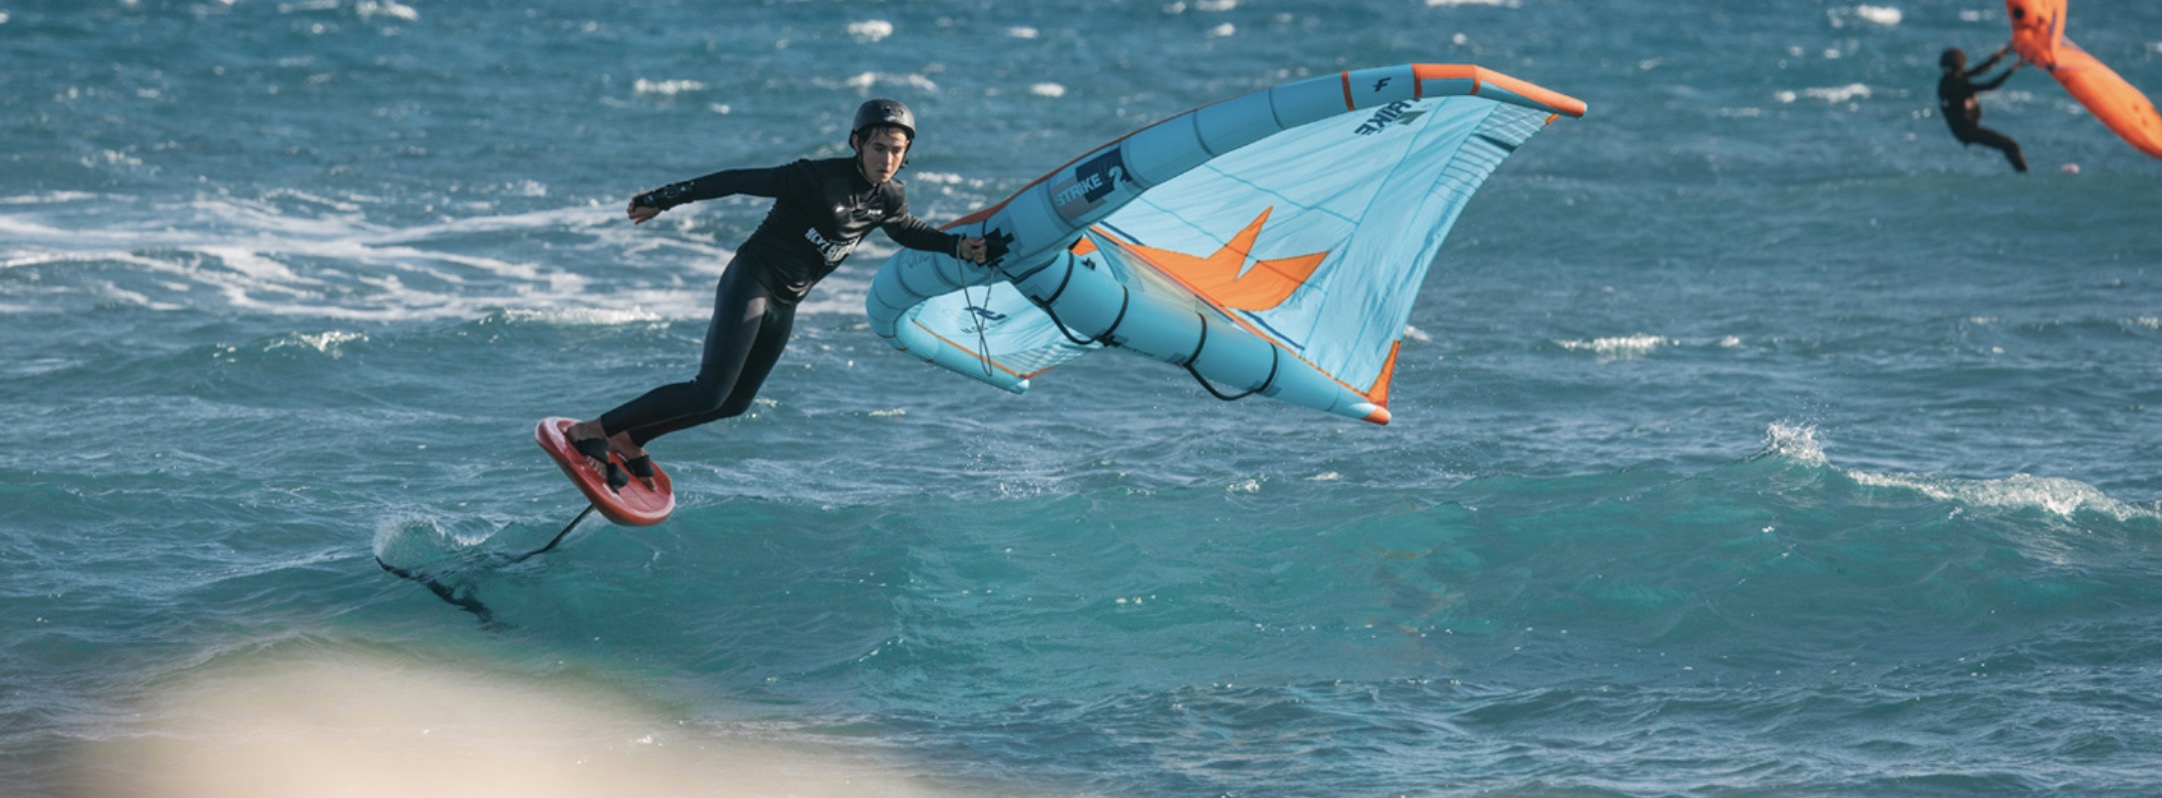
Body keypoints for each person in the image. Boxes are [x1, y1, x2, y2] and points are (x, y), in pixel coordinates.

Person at [561, 98, 991, 490]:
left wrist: (957, 246)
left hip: (786, 301)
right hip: (752, 281)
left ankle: (631, 438)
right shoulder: (815, 178)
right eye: (879, 148)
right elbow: (736, 181)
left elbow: (905, 229)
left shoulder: (890, 197)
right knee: (708, 390)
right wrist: (665, 198)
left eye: (897, 150)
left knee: (735, 402)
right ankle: (593, 429)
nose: (888, 159)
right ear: (857, 143)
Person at [1938, 46, 2028, 173]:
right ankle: (2024, 177)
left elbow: (1979, 70)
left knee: (2010, 146)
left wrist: (2000, 56)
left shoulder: (1951, 79)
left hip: (1966, 129)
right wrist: (2012, 69)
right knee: (2011, 146)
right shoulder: (1954, 85)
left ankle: (2022, 175)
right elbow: (1990, 86)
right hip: (1968, 131)